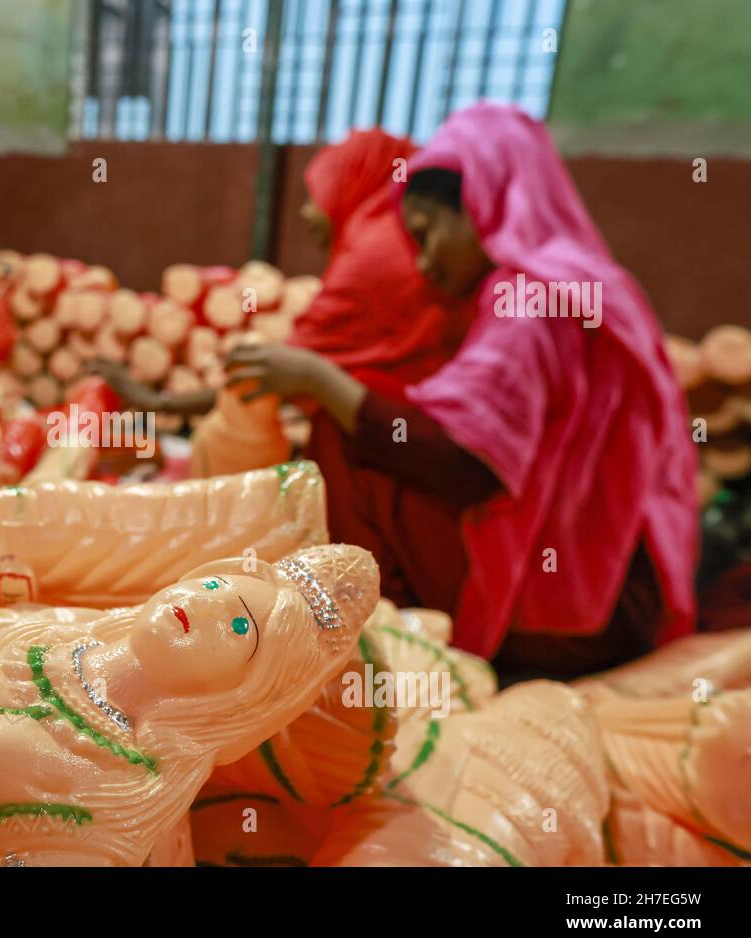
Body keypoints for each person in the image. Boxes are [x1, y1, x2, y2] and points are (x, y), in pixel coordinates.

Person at [225, 104, 697, 677]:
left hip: (576, 618)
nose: (422, 263)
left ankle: (380, 635)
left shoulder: (527, 299)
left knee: (345, 430)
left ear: (480, 207)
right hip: (627, 593)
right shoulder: (587, 280)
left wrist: (318, 379)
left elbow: (466, 464)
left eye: (427, 235)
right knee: (366, 408)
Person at [89, 128, 463, 414]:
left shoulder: (373, 257)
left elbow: (274, 376)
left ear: (353, 183)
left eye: (316, 194)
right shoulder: (397, 236)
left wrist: (156, 402)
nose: (306, 212)